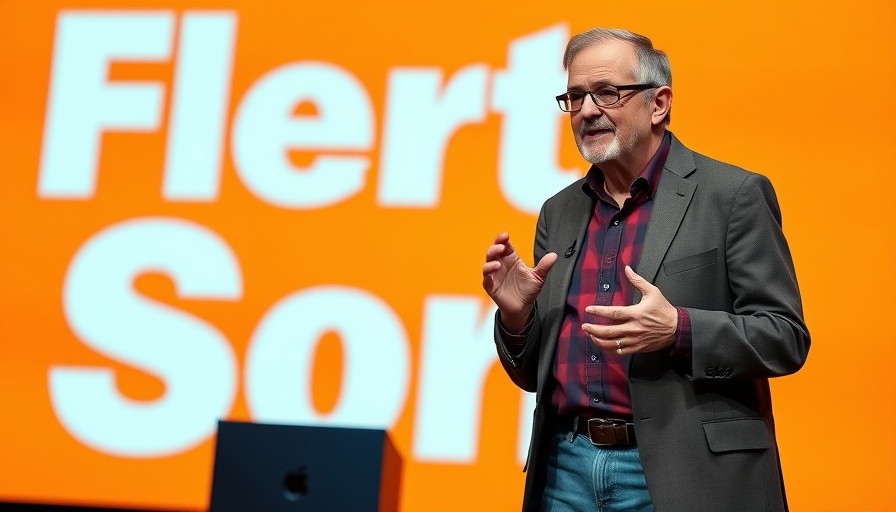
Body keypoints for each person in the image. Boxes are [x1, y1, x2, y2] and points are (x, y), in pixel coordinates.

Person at [482, 28, 809, 512]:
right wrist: (516, 320)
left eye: (607, 93)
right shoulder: (559, 211)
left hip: (685, 472)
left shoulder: (732, 195)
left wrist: (679, 329)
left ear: (658, 104)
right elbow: (534, 375)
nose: (587, 110)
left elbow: (784, 337)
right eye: (575, 97)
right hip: (565, 470)